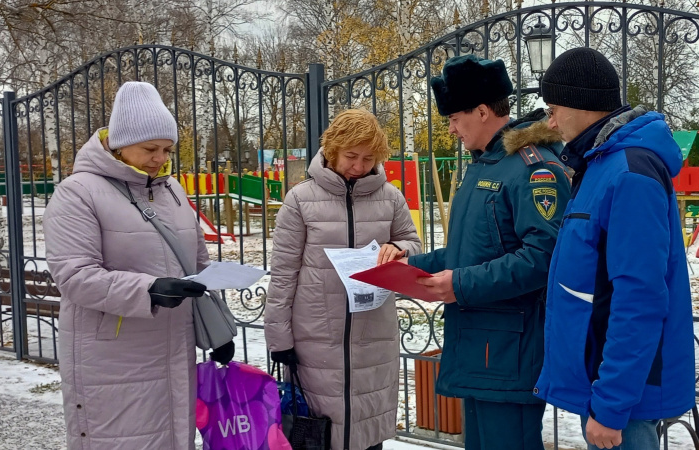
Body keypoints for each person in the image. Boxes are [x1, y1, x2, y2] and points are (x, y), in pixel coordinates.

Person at [44, 81, 235, 449]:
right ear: (120, 143)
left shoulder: (172, 191)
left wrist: (215, 332)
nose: (160, 158)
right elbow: (74, 276)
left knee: (175, 437)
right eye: (150, 148)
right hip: (114, 356)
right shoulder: (77, 192)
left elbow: (197, 263)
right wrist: (148, 289)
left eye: (166, 149)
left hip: (174, 348)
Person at [401, 55, 571, 450]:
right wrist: (405, 268)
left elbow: (543, 257)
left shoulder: (533, 167)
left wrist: (459, 284)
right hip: (481, 351)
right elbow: (470, 253)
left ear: (481, 111)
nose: (451, 128)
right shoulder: (486, 166)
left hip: (509, 354)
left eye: (455, 118)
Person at [533, 47, 695, 450]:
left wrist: (611, 404)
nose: (550, 122)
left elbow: (638, 297)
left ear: (581, 104)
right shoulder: (601, 164)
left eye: (554, 108)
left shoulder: (628, 173)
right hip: (605, 380)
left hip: (625, 400)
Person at [264, 109, 422, 450]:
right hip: (316, 340)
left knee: (367, 433)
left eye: (368, 158)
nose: (359, 166)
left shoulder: (390, 197)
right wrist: (279, 339)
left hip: (373, 334)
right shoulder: (301, 200)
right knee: (322, 434)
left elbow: (413, 242)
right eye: (351, 156)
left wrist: (398, 247)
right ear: (332, 149)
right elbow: (283, 273)